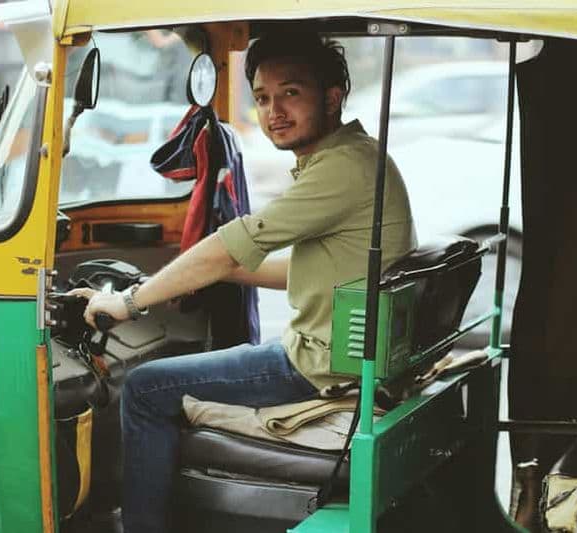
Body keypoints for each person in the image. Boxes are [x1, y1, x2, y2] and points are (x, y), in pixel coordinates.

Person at [70, 31, 417, 533]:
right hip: (332, 356)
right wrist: (179, 278)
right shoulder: (350, 158)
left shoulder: (341, 168)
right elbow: (293, 269)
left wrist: (129, 301)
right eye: (261, 98)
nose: (274, 110)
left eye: (291, 93)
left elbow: (233, 241)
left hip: (314, 369)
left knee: (145, 388)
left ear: (333, 97)